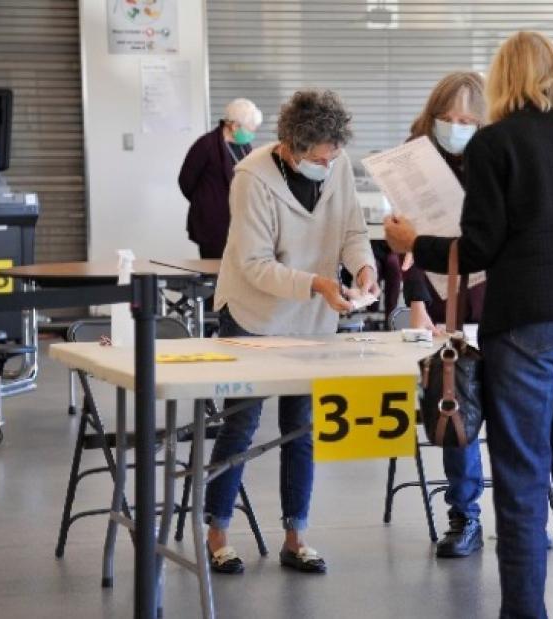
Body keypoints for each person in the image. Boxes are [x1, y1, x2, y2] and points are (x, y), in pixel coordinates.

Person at [385, 31, 553, 618]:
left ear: (501, 79)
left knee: (523, 485)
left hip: (529, 324)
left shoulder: (494, 143)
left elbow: (479, 246)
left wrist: (414, 242)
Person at [204, 90, 379, 575]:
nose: (329, 165)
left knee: (301, 427)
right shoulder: (252, 178)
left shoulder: (336, 166)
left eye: (334, 156)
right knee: (241, 425)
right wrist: (318, 284)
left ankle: (296, 535)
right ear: (290, 147)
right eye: (319, 158)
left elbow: (352, 231)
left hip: (311, 318)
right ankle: (217, 532)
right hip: (254, 313)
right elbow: (254, 264)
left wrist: (363, 268)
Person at [401, 71, 490, 558]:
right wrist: (416, 302)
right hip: (442, 299)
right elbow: (404, 243)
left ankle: (523, 514)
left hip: (496, 294)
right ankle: (464, 514)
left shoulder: (497, 154)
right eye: (448, 118)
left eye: (468, 120)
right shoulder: (413, 158)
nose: (457, 127)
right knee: (455, 404)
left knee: (515, 410)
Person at [179, 98, 263, 259]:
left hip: (240, 222)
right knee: (216, 268)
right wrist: (205, 201)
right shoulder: (206, 145)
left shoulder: (244, 146)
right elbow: (186, 181)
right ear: (234, 126)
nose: (252, 134)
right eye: (250, 129)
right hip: (212, 223)